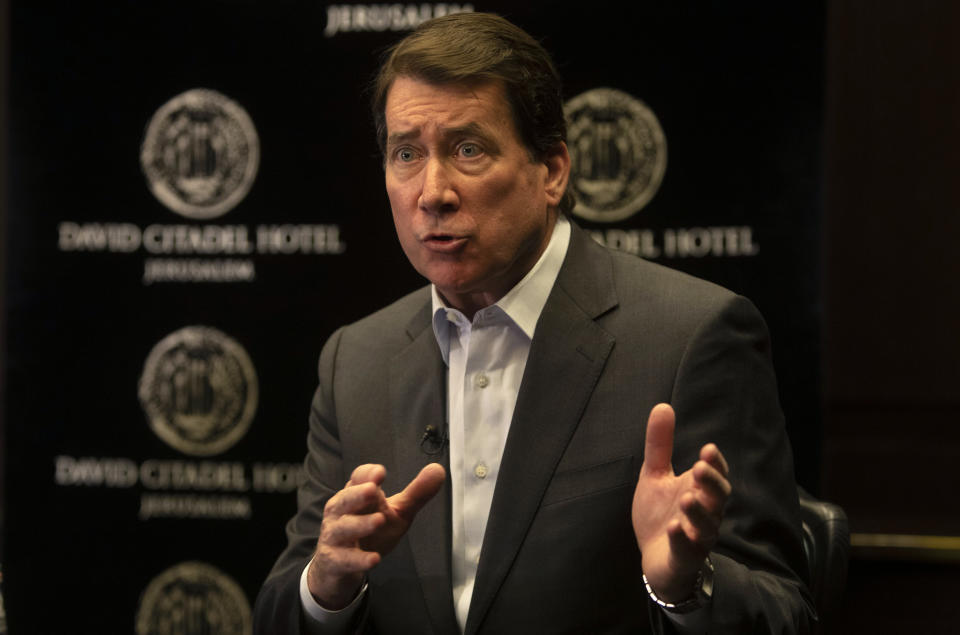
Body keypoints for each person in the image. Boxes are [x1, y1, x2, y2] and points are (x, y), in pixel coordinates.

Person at [255, 12, 814, 634]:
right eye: (406, 153)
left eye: (468, 149)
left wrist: (683, 586)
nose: (431, 191)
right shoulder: (353, 359)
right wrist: (327, 586)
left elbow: (783, 612)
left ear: (551, 170)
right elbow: (280, 612)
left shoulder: (692, 338)